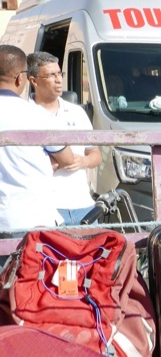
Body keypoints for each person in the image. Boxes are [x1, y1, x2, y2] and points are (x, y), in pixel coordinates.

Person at [0, 45, 74, 233]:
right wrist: (40, 160)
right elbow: (67, 159)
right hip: (30, 220)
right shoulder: (37, 115)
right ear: (21, 78)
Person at [27, 51, 102, 224]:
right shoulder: (25, 113)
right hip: (46, 209)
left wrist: (83, 161)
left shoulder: (77, 112)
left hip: (84, 207)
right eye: (51, 75)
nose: (59, 79)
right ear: (34, 81)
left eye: (60, 73)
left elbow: (95, 155)